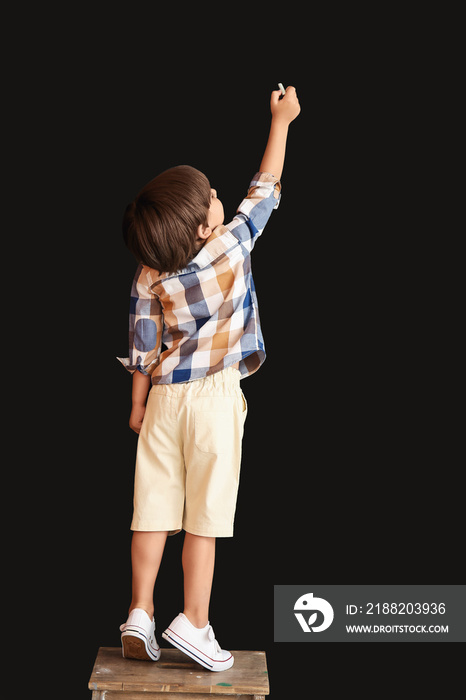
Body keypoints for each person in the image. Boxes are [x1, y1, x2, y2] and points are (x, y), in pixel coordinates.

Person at [118, 86, 301, 671]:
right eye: (213, 200)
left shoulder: (149, 274)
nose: (221, 200)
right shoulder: (230, 247)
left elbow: (142, 348)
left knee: (152, 510)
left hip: (165, 400)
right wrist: (282, 121)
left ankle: (139, 612)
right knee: (205, 518)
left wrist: (137, 407)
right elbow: (264, 189)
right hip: (216, 400)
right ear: (201, 229)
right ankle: (194, 622)